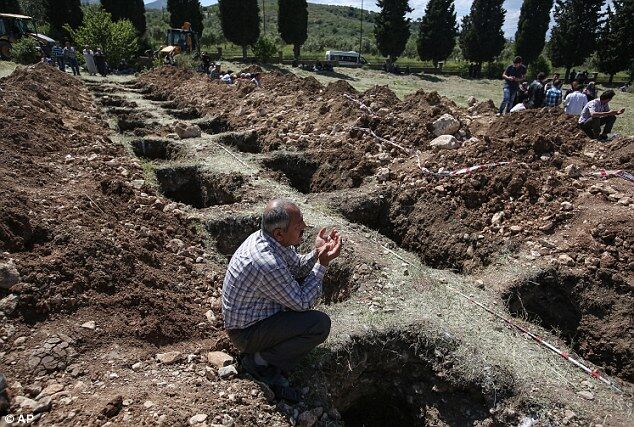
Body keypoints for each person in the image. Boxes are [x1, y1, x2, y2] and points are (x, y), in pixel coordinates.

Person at [222, 199, 342, 400]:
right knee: (319, 324)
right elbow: (303, 302)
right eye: (298, 226)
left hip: (255, 320)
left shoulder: (271, 240)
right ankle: (259, 361)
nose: (304, 227)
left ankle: (267, 354)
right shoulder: (266, 262)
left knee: (301, 296)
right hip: (246, 333)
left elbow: (297, 267)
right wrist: (322, 265)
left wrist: (317, 253)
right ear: (279, 233)